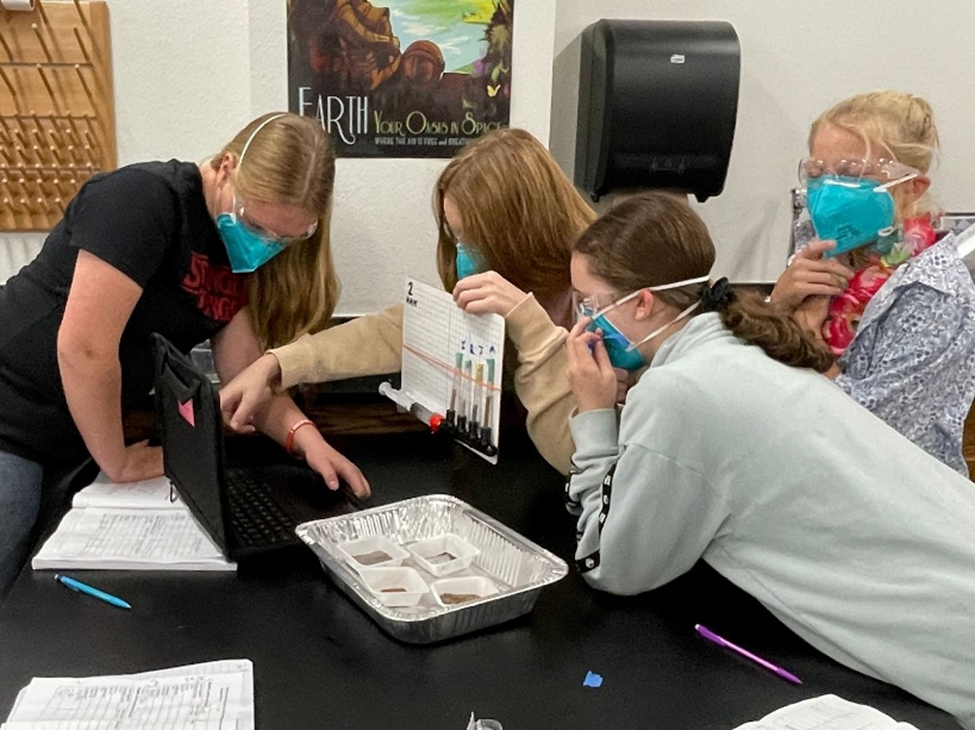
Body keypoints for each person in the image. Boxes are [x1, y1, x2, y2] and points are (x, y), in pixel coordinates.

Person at [564, 191, 975, 728]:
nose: (584, 322)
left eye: (589, 303)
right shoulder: (739, 344)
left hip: (945, 637)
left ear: (642, 302)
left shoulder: (680, 391)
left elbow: (614, 565)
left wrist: (594, 414)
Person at [0, 112, 369, 598]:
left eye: (285, 240)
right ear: (225, 167)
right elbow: (84, 348)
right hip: (12, 411)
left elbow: (244, 377)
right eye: (258, 226)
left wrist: (305, 437)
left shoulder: (235, 255)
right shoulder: (142, 201)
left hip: (74, 434)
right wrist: (119, 463)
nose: (264, 247)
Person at [220, 127, 596, 474]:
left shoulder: (601, 301)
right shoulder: (507, 283)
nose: (463, 255)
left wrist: (529, 326)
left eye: (475, 239)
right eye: (455, 236)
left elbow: (581, 460)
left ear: (519, 232)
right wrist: (276, 363)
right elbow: (399, 331)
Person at [769, 91, 975, 474]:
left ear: (913, 187)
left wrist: (805, 342)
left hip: (892, 499)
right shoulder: (817, 242)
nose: (828, 191)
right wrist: (776, 307)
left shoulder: (934, 291)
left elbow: (870, 433)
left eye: (851, 175)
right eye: (817, 173)